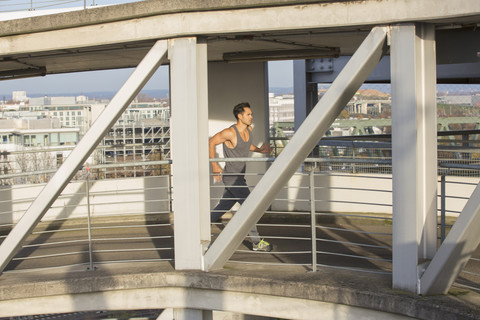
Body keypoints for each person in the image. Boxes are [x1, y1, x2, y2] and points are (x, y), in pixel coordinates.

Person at [209, 102, 273, 252]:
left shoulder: (249, 129)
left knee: (221, 208)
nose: (251, 117)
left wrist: (259, 150)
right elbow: (211, 142)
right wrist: (215, 165)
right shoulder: (230, 132)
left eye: (251, 114)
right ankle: (257, 242)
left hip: (240, 177)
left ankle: (197, 230)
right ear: (240, 116)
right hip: (232, 178)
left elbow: (247, 145)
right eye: (248, 114)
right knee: (250, 207)